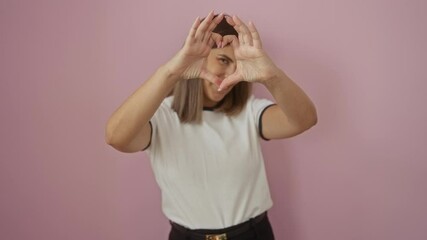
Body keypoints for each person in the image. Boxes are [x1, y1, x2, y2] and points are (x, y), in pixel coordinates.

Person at [106, 10, 317, 240]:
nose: (230, 75)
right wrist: (173, 71)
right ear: (199, 57)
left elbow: (304, 120)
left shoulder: (249, 112)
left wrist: (271, 76)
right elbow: (116, 137)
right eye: (223, 60)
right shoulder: (163, 117)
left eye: (238, 65)